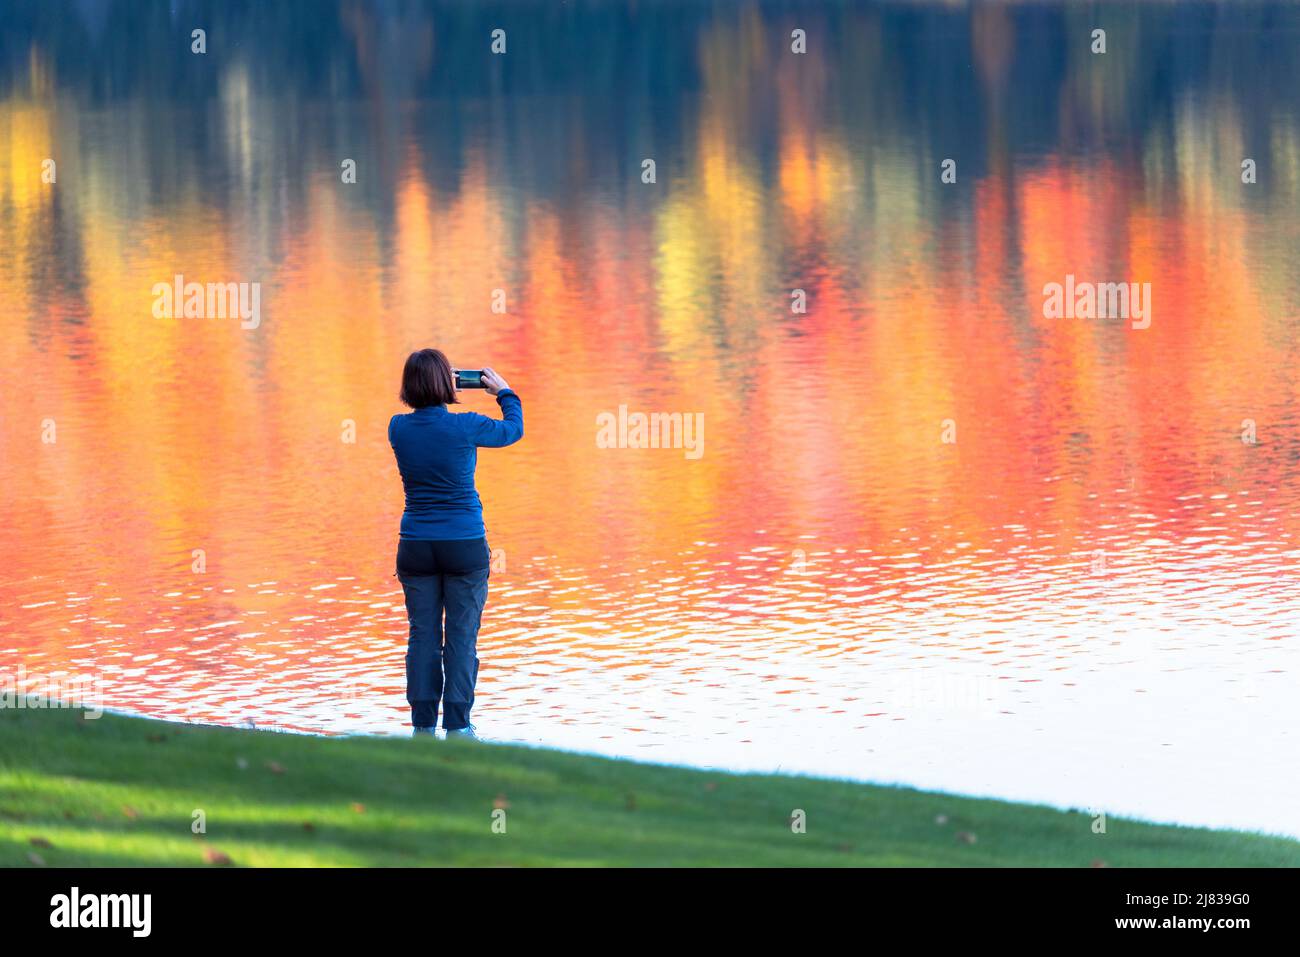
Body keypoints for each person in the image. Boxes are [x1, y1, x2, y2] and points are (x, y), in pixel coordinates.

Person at [388, 349, 523, 737]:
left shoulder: (397, 428)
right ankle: (459, 726)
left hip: (416, 546)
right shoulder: (467, 426)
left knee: (423, 637)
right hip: (464, 546)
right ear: (447, 384)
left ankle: (422, 726)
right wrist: (505, 393)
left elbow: (426, 425)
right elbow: (512, 430)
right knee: (461, 639)